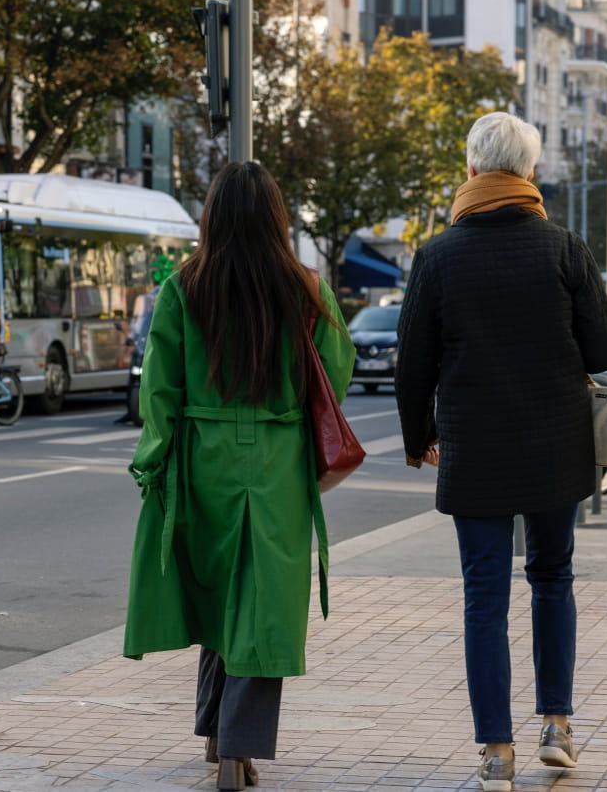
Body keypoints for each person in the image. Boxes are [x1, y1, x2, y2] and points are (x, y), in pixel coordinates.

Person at [394, 112, 607, 792]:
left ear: (470, 169)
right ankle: (557, 724)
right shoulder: (565, 248)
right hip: (558, 445)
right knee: (553, 578)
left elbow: (413, 365)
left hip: (476, 450)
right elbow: (603, 350)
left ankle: (497, 752)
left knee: (483, 597)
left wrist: (419, 437)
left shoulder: (437, 257)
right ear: (530, 172)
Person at [124, 161, 355, 791]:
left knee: (218, 597)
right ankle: (235, 749)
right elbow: (335, 374)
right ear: (276, 218)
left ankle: (216, 734)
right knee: (262, 608)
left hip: (205, 459)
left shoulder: (184, 286)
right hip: (278, 463)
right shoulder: (306, 288)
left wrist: (154, 460)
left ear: (213, 217)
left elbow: (159, 388)